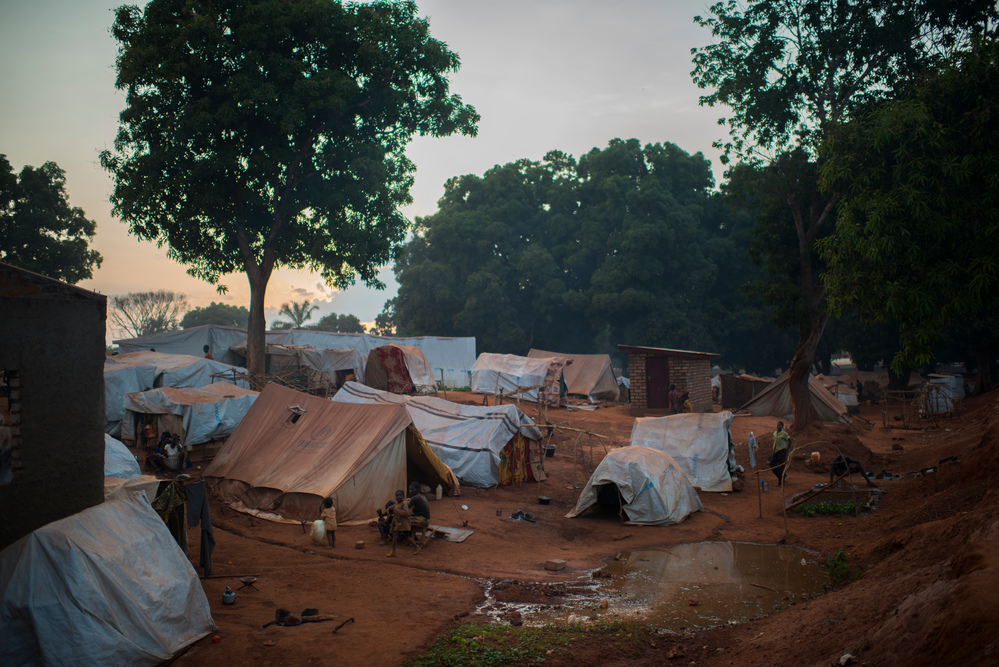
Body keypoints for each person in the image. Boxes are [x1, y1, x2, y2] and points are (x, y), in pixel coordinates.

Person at [386, 489, 420, 557]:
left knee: (407, 537)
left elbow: (406, 512)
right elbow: (390, 509)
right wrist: (389, 510)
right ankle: (393, 551)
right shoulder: (396, 504)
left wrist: (395, 511)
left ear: (403, 497)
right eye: (397, 496)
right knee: (395, 537)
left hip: (404, 524)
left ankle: (416, 547)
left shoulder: (404, 504)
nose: (398, 497)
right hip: (398, 524)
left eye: (400, 496)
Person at [769, 421, 791, 486]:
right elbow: (774, 443)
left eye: (779, 425)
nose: (778, 426)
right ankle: (781, 476)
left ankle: (781, 482)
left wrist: (787, 450)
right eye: (777, 425)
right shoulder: (775, 433)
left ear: (782, 427)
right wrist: (773, 451)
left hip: (782, 451)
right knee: (772, 465)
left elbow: (790, 441)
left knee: (781, 466)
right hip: (776, 451)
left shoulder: (784, 434)